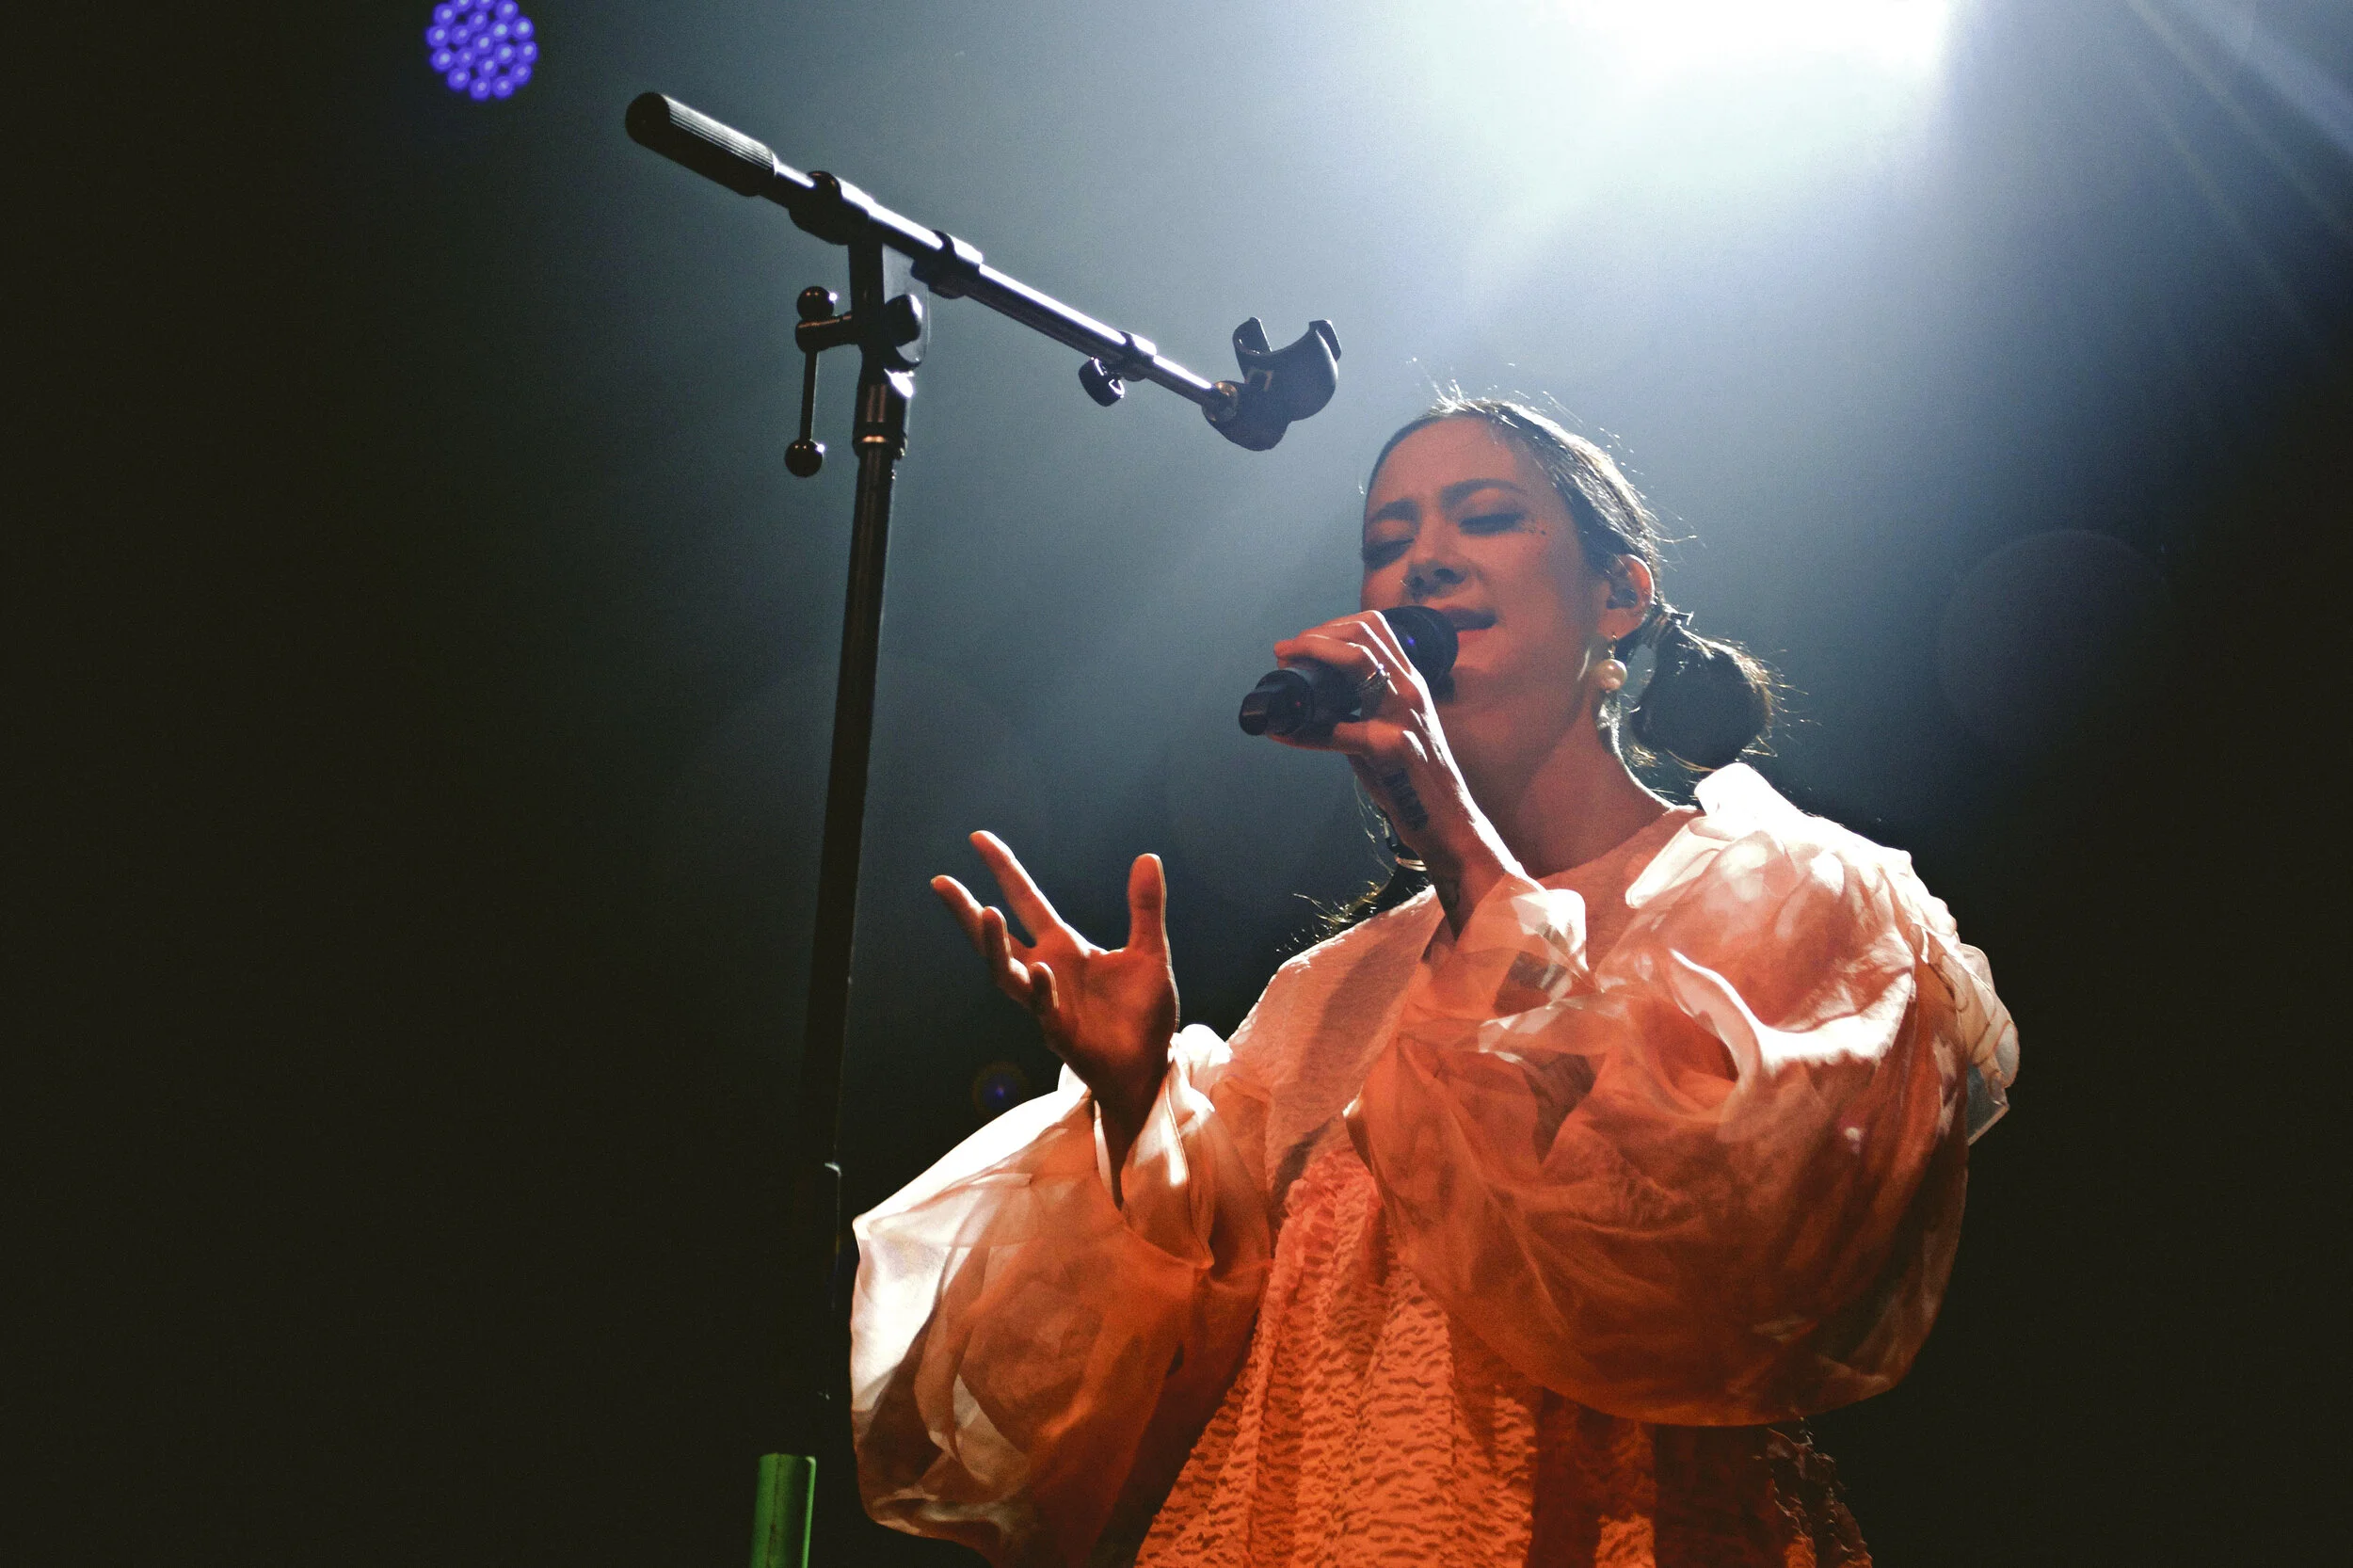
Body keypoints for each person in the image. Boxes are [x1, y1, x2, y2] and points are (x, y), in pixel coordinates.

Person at [847, 398, 2019, 1568]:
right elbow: (1164, 1373)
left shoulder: (1789, 893)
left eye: (1488, 516)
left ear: (1619, 598)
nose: (1423, 560)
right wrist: (1133, 1093)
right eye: (1386, 539)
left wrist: (1456, 845)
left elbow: (1726, 1258)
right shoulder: (1328, 989)